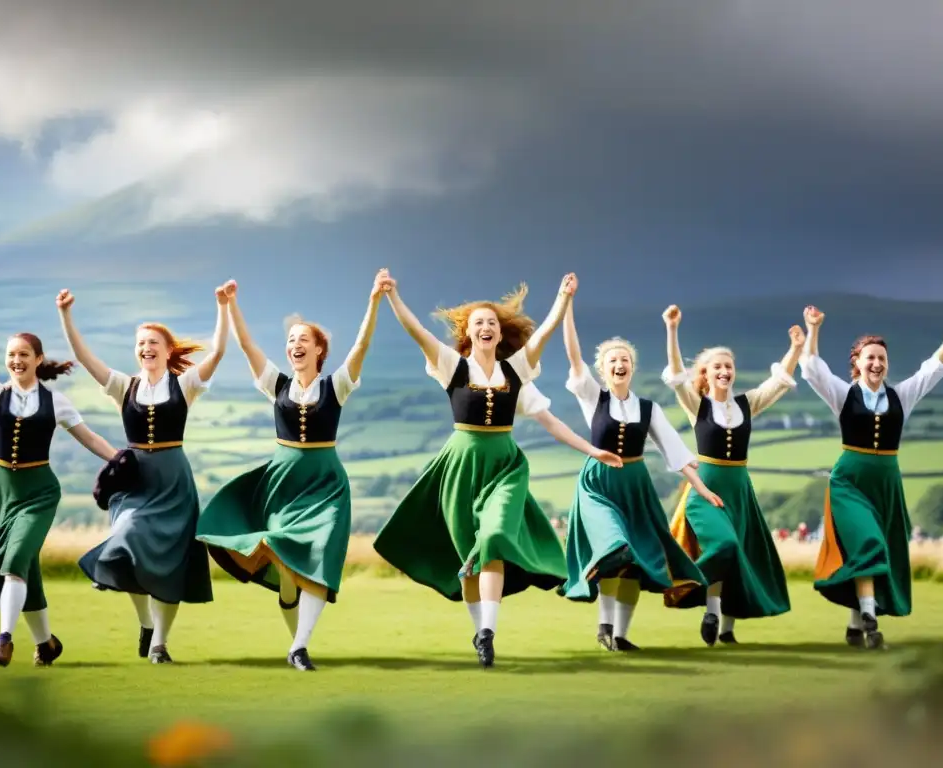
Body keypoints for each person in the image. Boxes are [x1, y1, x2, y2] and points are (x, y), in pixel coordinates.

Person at [372, 273, 623, 668]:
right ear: (468, 333)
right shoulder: (450, 366)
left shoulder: (517, 371)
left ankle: (488, 631)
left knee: (494, 536)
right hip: (461, 466)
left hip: (505, 466)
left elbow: (544, 338)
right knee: (468, 561)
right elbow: (415, 329)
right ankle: (481, 634)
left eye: (491, 322)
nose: (486, 326)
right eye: (479, 323)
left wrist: (561, 296)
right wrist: (392, 295)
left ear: (498, 331)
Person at [195, 271, 389, 671]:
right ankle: (294, 632)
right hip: (284, 484)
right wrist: (229, 305)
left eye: (304, 339)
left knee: (317, 556)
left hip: (326, 485)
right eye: (291, 340)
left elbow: (362, 344)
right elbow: (247, 346)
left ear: (319, 350)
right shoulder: (276, 385)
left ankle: (299, 647)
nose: (295, 344)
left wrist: (373, 301)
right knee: (286, 568)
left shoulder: (337, 386)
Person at [56, 285, 229, 663]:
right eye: (141, 343)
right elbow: (84, 358)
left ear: (168, 351)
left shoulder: (185, 386)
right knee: (125, 543)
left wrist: (222, 306)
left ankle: (160, 643)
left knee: (171, 564)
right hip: (136, 482)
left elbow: (216, 352)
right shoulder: (124, 386)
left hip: (173, 482)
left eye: (153, 342)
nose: (145, 347)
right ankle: (146, 623)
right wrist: (66, 315)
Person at [558, 298, 723, 651]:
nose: (620, 364)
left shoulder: (649, 409)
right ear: (603, 369)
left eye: (625, 360)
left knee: (635, 560)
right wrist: (567, 304)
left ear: (632, 368)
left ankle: (619, 635)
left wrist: (704, 490)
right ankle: (604, 624)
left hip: (635, 488)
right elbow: (573, 355)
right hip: (598, 484)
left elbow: (677, 455)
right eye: (613, 360)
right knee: (614, 546)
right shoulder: (593, 397)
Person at [799, 303, 943, 649]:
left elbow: (934, 368)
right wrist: (813, 329)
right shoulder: (844, 394)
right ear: (857, 363)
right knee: (868, 542)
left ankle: (854, 624)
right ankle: (872, 622)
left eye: (881, 359)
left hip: (887, 483)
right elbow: (813, 368)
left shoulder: (901, 396)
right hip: (849, 483)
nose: (876, 363)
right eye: (869, 358)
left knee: (880, 547)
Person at [0, 334, 117, 666]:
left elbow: (88, 437)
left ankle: (4, 640)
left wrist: (121, 461)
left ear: (38, 359)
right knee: (26, 569)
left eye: (24, 354)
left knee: (14, 561)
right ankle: (46, 644)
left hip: (38, 494)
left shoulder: (56, 402)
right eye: (11, 354)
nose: (17, 360)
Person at [661, 305, 804, 646]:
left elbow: (777, 383)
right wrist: (672, 329)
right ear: (706, 375)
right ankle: (706, 605)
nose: (724, 371)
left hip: (739, 490)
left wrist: (796, 348)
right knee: (723, 546)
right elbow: (677, 374)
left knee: (738, 554)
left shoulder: (747, 403)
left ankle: (725, 629)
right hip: (705, 489)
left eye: (728, 366)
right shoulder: (697, 404)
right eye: (717, 367)